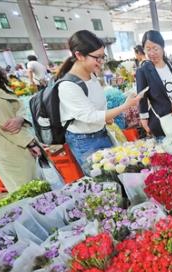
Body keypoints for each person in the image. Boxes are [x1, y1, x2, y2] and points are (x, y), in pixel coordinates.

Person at [56, 30, 141, 171]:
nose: (101, 62)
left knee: (116, 174)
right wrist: (125, 106)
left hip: (102, 132)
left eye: (103, 57)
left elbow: (99, 106)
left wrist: (107, 117)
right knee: (103, 181)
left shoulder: (91, 76)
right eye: (97, 58)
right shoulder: (68, 86)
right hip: (84, 141)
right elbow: (90, 116)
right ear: (79, 55)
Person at [0, 35, 41, 192]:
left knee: (39, 188)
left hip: (20, 139)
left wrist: (20, 118)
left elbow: (18, 105)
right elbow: (4, 123)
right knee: (27, 192)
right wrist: (30, 142)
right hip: (6, 145)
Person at [136, 30, 172, 138]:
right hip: (160, 122)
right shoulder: (143, 71)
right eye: (148, 49)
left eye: (155, 48)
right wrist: (144, 119)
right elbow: (142, 98)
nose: (152, 53)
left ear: (162, 47)